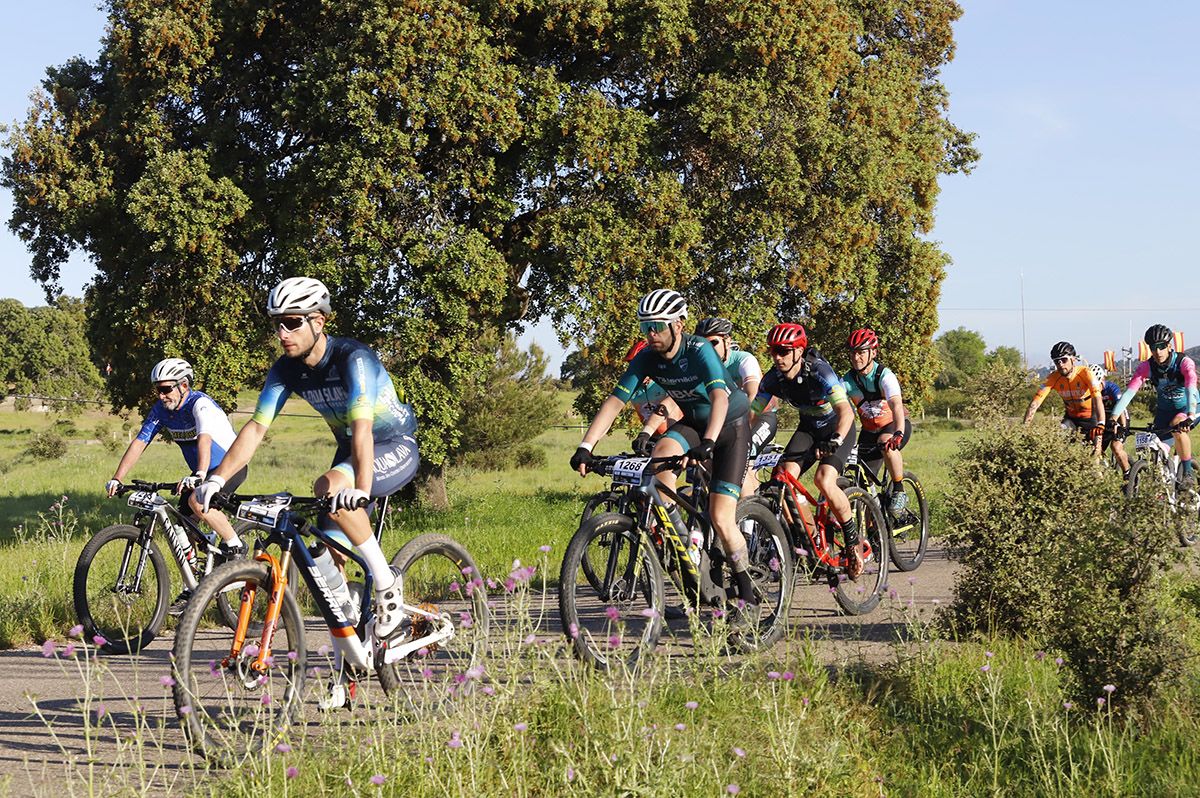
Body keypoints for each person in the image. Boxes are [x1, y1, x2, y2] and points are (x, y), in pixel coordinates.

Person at [194, 277, 420, 655]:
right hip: (350, 451)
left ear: (319, 321)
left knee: (329, 488)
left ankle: (386, 584)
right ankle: (353, 646)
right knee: (328, 562)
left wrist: (360, 491)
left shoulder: (354, 358)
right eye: (277, 323)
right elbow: (255, 428)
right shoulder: (286, 369)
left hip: (392, 444)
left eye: (293, 322)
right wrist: (217, 479)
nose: (283, 332)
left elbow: (363, 428)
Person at [570, 289, 758, 619]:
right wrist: (586, 447)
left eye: (657, 326)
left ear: (678, 324)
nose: (652, 334)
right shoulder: (647, 357)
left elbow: (720, 398)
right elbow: (615, 402)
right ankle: (683, 544)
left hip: (729, 425)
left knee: (721, 516)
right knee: (660, 463)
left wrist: (709, 442)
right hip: (693, 422)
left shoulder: (699, 350)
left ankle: (746, 593)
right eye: (645, 328)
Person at [105, 357, 247, 613]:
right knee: (181, 524)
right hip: (201, 471)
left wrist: (201, 474)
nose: (160, 395)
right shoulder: (161, 411)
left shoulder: (199, 404)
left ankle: (236, 546)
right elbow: (140, 442)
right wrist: (118, 477)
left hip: (229, 466)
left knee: (197, 501)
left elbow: (204, 438)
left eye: (165, 389)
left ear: (183, 385)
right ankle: (192, 586)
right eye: (157, 389)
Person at [750, 323, 864, 578]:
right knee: (782, 478)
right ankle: (811, 541)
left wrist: (834, 440)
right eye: (774, 352)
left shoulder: (821, 372)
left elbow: (846, 412)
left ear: (799, 351)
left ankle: (851, 539)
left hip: (838, 429)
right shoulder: (773, 378)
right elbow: (752, 412)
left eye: (784, 351)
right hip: (809, 429)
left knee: (824, 479)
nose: (778, 357)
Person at [694, 317, 777, 496]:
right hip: (731, 421)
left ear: (727, 341)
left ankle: (749, 521)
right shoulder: (702, 366)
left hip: (760, 417)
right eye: (703, 344)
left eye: (714, 343)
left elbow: (753, 394)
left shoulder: (743, 360)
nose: (709, 349)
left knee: (741, 469)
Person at [1111, 324, 1198, 483]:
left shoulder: (1183, 363)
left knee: (1177, 426)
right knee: (1155, 446)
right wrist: (1113, 418)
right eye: (1153, 347)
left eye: (1161, 346)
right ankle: (1163, 484)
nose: (1157, 351)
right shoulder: (1146, 367)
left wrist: (1190, 415)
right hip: (1165, 411)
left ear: (1169, 346)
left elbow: (1191, 387)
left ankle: (1188, 474)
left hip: (1189, 407)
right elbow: (1129, 394)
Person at [842, 328, 911, 515]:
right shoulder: (847, 380)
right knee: (862, 481)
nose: (856, 358)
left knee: (885, 443)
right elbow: (836, 405)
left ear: (873, 352)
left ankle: (899, 490)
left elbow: (896, 405)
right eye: (853, 353)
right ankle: (876, 521)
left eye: (861, 352)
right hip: (868, 431)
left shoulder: (884, 376)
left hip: (894, 425)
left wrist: (898, 433)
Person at [1023, 341, 1106, 455]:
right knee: (1057, 447)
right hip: (1071, 419)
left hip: (1092, 419)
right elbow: (1034, 404)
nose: (1060, 364)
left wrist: (1101, 423)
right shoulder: (1053, 378)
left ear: (1073, 359)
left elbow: (1098, 400)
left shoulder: (1086, 373)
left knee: (1094, 458)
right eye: (1056, 361)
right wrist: (1025, 428)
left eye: (1064, 360)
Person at [625, 340, 684, 454]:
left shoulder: (666, 382)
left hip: (676, 434)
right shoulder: (633, 389)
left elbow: (671, 410)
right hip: (651, 436)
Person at [1090, 363, 1131, 477]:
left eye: (1095, 384)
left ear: (1102, 380)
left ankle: (1127, 475)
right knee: (1095, 450)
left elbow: (1121, 408)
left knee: (1116, 447)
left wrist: (1123, 427)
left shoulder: (1112, 388)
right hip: (1105, 421)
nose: (1093, 388)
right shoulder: (1092, 392)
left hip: (1120, 419)